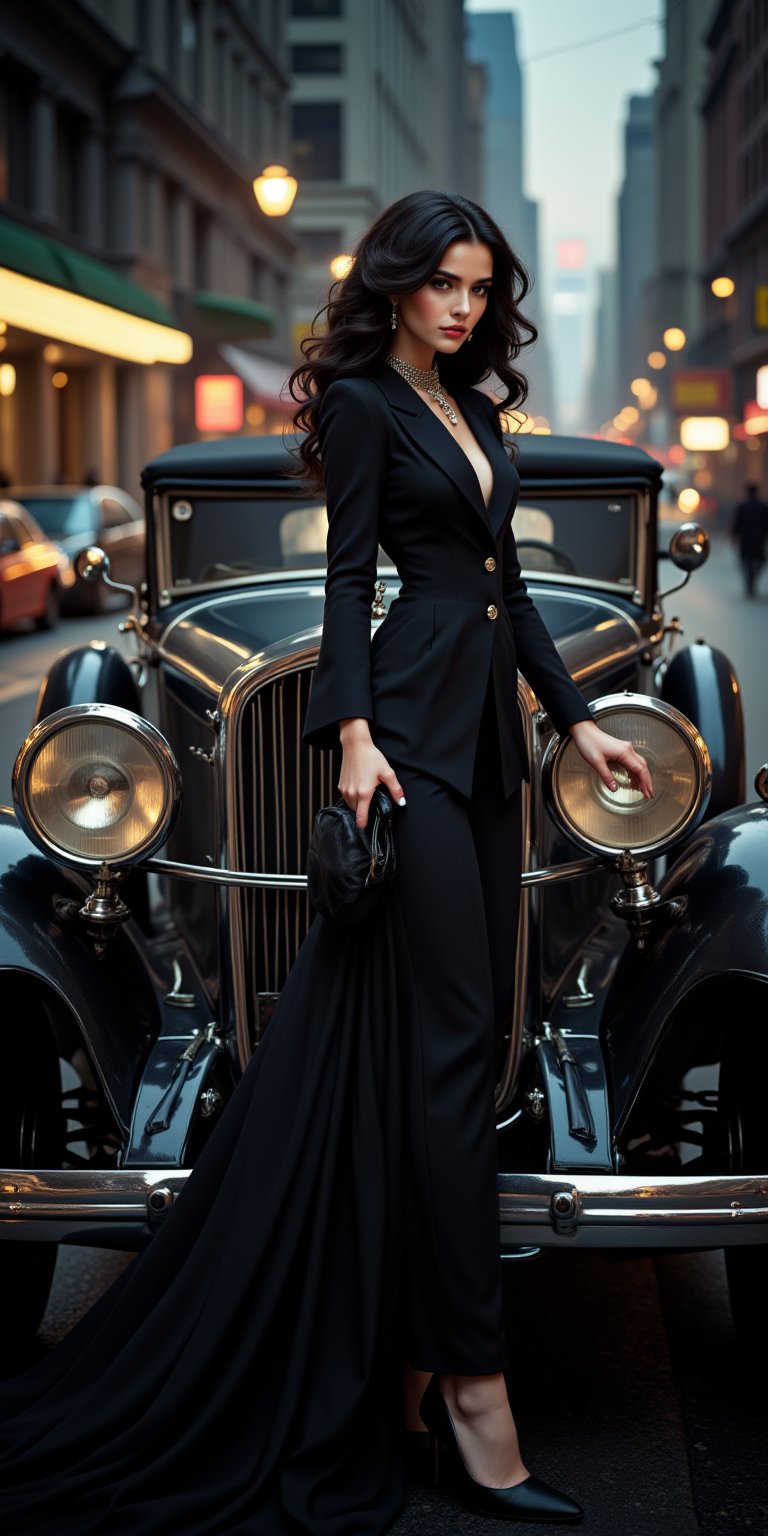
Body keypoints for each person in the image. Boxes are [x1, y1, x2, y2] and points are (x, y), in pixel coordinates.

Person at [0, 190, 654, 1534]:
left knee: (444, 1059)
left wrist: (584, 726)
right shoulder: (361, 404)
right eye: (443, 284)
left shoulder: (474, 412)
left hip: (483, 751)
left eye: (480, 286)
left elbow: (507, 590)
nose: (464, 306)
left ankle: (413, 1358)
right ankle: (473, 1390)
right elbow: (349, 580)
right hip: (406, 740)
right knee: (454, 1054)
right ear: (397, 285)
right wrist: (350, 735)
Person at [730, 481, 768, 595]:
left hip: (745, 539)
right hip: (759, 539)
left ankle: (749, 581)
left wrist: (734, 536)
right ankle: (752, 579)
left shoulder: (742, 506)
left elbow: (737, 523)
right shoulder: (763, 506)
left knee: (745, 561)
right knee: (760, 560)